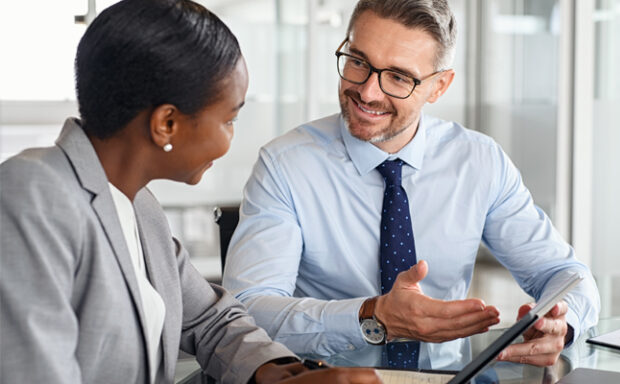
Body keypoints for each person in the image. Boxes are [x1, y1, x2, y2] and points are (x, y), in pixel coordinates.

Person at [0, 1, 382, 383]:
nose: (231, 137)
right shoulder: (33, 196)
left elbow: (210, 319)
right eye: (229, 119)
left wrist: (280, 375)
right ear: (167, 123)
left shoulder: (138, 206)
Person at [223, 0, 600, 371]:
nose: (367, 92)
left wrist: (561, 325)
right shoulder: (285, 165)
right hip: (328, 380)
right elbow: (248, 312)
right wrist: (372, 318)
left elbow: (568, 276)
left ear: (439, 87)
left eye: (398, 77)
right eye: (357, 62)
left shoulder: (480, 162)